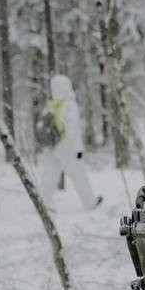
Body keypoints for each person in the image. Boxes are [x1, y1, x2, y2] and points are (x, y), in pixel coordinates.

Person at [38, 74, 102, 210]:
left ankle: (44, 203)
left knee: (49, 175)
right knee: (79, 175)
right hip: (66, 147)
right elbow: (73, 129)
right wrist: (78, 149)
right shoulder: (69, 106)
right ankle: (90, 203)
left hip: (51, 146)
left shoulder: (52, 105)